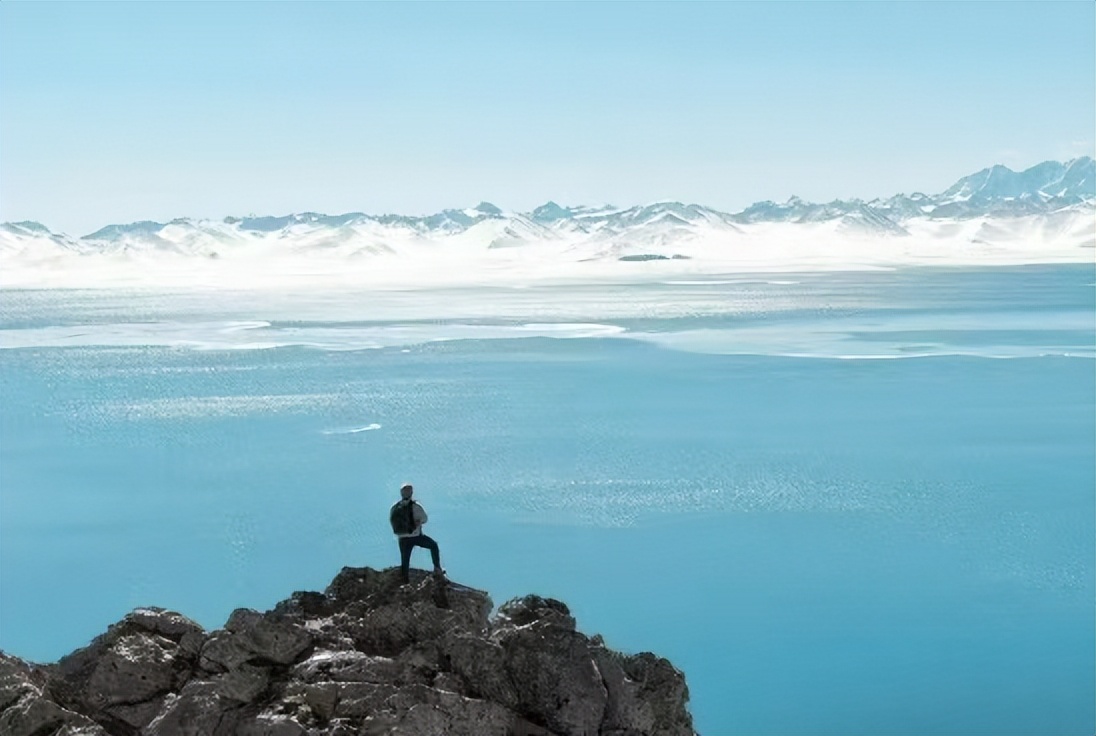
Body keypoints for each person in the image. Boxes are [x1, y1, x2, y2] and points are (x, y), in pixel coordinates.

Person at [390, 483, 444, 583]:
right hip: (415, 535)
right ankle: (437, 569)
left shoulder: (394, 508)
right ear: (411, 493)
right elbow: (424, 519)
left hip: (402, 538)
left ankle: (405, 582)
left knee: (405, 561)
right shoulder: (415, 506)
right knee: (433, 545)